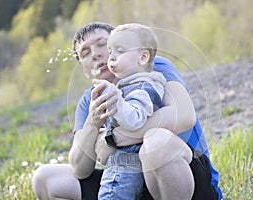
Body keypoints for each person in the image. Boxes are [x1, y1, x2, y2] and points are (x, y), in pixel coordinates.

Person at [31, 22, 223, 200]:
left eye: (103, 45)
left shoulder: (152, 68)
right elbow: (80, 169)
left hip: (187, 180)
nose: (96, 54)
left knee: (156, 142)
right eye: (85, 53)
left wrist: (113, 138)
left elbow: (184, 116)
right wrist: (93, 122)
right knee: (45, 178)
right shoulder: (89, 100)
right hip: (127, 183)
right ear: (84, 69)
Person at [97, 23, 166, 199]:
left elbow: (134, 120)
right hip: (123, 164)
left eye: (119, 51)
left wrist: (116, 99)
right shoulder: (130, 84)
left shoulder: (143, 86)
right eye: (110, 51)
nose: (111, 57)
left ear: (143, 57)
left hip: (126, 166)